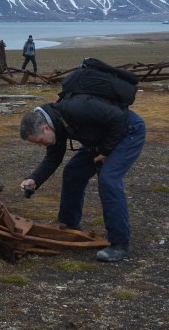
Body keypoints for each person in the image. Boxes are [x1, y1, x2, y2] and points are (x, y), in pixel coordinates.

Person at [17, 95, 145, 262]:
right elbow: (53, 158)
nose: (41, 145)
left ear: (45, 128)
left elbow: (118, 117)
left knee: (108, 180)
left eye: (40, 141)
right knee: (73, 172)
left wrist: (105, 152)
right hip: (100, 139)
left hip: (128, 131)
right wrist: (34, 179)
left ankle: (120, 243)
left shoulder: (75, 109)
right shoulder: (57, 123)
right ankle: (69, 227)